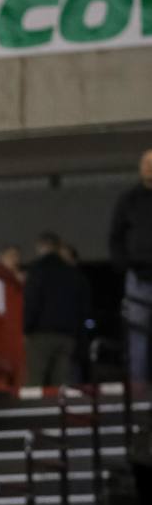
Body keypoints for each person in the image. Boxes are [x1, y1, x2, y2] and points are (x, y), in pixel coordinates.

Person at [23, 232, 92, 388]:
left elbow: (32, 301)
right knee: (62, 386)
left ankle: (35, 412)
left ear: (41, 246)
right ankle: (61, 412)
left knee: (35, 383)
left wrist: (26, 328)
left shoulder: (37, 270)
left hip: (41, 335)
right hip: (67, 336)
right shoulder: (73, 273)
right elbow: (82, 308)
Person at [110, 149, 152, 383]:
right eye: (145, 163)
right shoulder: (129, 200)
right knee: (137, 333)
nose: (149, 168)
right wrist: (123, 264)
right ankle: (138, 387)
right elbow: (115, 236)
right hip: (138, 277)